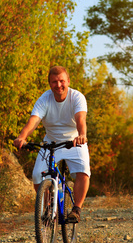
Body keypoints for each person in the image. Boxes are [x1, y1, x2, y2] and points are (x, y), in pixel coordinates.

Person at [13, 66, 90, 222]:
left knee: (83, 171)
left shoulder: (77, 97)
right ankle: (49, 205)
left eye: (62, 81)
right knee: (36, 175)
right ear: (50, 84)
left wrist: (82, 135)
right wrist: (22, 137)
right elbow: (33, 120)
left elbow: (81, 119)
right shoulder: (44, 99)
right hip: (51, 142)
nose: (59, 85)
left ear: (68, 81)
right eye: (54, 82)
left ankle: (77, 209)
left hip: (74, 140)